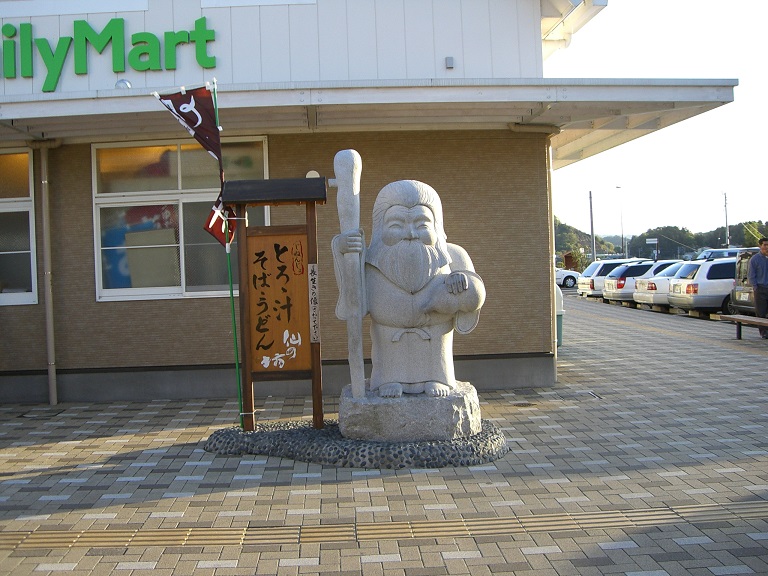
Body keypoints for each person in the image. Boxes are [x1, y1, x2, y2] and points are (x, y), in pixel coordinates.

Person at [333, 180, 485, 398]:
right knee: (389, 368)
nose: (410, 233)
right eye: (397, 225)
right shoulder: (369, 260)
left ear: (437, 226)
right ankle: (389, 379)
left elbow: (474, 296)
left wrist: (461, 281)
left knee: (436, 359)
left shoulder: (453, 255)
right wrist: (343, 250)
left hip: (436, 341)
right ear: (380, 228)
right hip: (387, 343)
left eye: (422, 224)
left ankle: (437, 377)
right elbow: (352, 296)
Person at [748, 237, 768, 339]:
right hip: (760, 289)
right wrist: (755, 287)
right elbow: (751, 275)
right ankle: (764, 332)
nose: (766, 247)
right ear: (760, 246)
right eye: (764, 245)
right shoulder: (755, 259)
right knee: (761, 312)